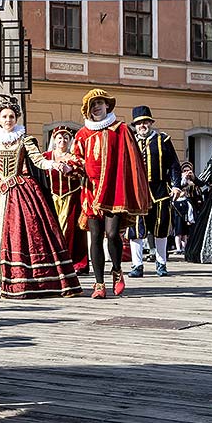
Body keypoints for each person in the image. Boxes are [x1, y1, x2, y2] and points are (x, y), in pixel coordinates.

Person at [0, 99, 81, 298]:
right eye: (4, 117)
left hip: (19, 189)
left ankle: (22, 281)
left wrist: (54, 165)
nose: (8, 120)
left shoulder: (25, 140)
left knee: (23, 232)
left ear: (16, 119)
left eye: (11, 117)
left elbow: (38, 161)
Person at [68, 89, 151, 299]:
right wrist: (71, 167)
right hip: (91, 192)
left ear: (107, 105)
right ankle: (98, 283)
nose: (97, 107)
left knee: (113, 234)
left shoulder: (120, 129)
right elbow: (77, 159)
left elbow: (132, 161)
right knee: (95, 236)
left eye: (100, 103)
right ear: (88, 110)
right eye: (93, 105)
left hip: (114, 191)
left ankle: (116, 271)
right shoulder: (82, 134)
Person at [126, 106, 182, 278]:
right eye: (139, 123)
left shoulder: (163, 140)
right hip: (136, 192)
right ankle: (137, 265)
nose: (143, 125)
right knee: (136, 230)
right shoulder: (130, 142)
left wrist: (176, 185)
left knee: (161, 227)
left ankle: (161, 264)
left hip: (160, 191)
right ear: (135, 125)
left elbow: (174, 165)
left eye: (145, 122)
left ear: (151, 123)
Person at [43, 126, 88, 274]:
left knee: (71, 231)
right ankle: (53, 261)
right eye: (59, 138)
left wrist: (71, 170)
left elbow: (83, 171)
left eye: (66, 138)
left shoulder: (75, 158)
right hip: (51, 197)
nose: (62, 141)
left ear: (70, 141)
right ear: (54, 140)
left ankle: (73, 262)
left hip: (72, 197)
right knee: (52, 229)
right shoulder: (46, 157)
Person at [171, 161, 198, 253]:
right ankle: (178, 248)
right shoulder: (177, 179)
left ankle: (185, 248)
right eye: (185, 170)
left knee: (185, 230)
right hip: (177, 205)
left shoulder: (192, 182)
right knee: (178, 229)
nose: (187, 172)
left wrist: (192, 178)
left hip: (187, 205)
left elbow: (197, 190)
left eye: (188, 170)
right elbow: (179, 185)